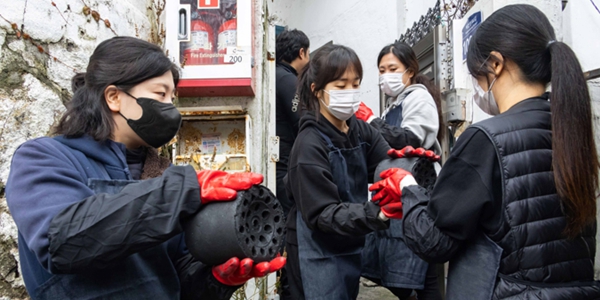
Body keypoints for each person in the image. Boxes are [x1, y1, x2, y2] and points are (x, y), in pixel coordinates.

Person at [5, 36, 285, 300]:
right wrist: (180, 192)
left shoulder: (163, 175)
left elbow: (177, 283)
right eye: (160, 94)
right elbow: (62, 242)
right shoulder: (43, 158)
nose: (170, 108)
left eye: (171, 98)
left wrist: (217, 280)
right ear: (114, 96)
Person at [372, 4, 600, 299]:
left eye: (476, 78)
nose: (477, 89)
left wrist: (408, 187)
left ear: (495, 64)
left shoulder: (485, 140)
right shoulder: (571, 129)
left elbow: (433, 241)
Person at [283, 43, 408, 300]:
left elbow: (385, 163)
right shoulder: (308, 145)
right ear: (317, 91)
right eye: (340, 86)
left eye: (355, 84)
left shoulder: (360, 131)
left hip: (349, 243)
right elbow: (322, 213)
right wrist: (378, 213)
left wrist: (406, 170)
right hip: (314, 253)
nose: (350, 93)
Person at [356, 42, 443, 299]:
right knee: (405, 270)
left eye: (392, 68)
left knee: (421, 271)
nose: (386, 75)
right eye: (381, 70)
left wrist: (372, 121)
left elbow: (412, 139)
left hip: (417, 191)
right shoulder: (394, 105)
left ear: (410, 70)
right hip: (398, 195)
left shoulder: (418, 98)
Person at [275, 29, 310, 217]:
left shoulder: (273, 76)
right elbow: (301, 121)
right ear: (302, 53)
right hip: (285, 163)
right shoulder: (288, 79)